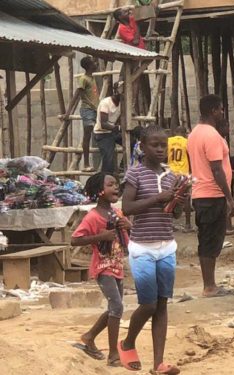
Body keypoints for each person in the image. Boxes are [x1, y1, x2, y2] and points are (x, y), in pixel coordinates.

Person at [120, 126, 185, 374]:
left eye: (163, 145)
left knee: (162, 303)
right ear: (142, 147)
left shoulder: (171, 177)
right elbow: (127, 208)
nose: (160, 149)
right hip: (142, 248)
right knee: (148, 305)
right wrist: (158, 198)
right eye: (155, 145)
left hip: (166, 245)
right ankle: (127, 342)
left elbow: (176, 214)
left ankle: (159, 364)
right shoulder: (135, 174)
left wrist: (179, 199)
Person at [72, 172, 131, 367]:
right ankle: (113, 355)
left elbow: (127, 240)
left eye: (116, 184)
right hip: (103, 268)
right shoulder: (93, 217)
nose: (116, 187)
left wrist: (128, 226)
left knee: (115, 308)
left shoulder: (117, 212)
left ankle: (89, 337)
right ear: (100, 191)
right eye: (111, 185)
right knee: (117, 307)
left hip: (117, 266)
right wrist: (100, 236)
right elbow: (75, 240)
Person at [187, 95, 234, 298]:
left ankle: (211, 284)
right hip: (212, 194)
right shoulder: (211, 136)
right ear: (213, 110)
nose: (222, 113)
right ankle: (209, 286)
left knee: (207, 239)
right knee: (210, 240)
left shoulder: (194, 134)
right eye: (221, 109)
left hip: (201, 193)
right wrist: (229, 198)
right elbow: (216, 169)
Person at [94, 81, 123, 174]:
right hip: (102, 134)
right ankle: (104, 180)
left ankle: (122, 166)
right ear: (115, 92)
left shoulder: (122, 103)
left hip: (113, 133)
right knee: (108, 161)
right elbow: (104, 124)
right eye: (121, 92)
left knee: (133, 143)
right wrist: (118, 128)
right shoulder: (106, 103)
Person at [168, 126, 192, 232]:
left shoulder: (168, 141)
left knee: (170, 197)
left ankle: (169, 224)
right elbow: (190, 156)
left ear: (175, 132)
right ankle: (187, 224)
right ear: (184, 133)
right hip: (183, 172)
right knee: (186, 197)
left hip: (170, 172)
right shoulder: (186, 142)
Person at [77, 56, 99, 172]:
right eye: (94, 62)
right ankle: (86, 164)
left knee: (94, 133)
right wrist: (92, 105)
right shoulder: (84, 78)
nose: (96, 63)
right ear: (89, 66)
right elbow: (81, 95)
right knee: (88, 134)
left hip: (94, 109)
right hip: (87, 109)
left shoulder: (92, 78)